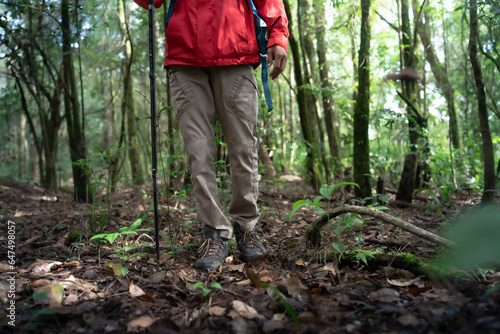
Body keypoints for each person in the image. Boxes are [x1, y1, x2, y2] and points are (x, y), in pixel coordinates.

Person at [134, 0, 289, 271]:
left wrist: (277, 35)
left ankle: (246, 227)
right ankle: (214, 233)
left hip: (237, 50)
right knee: (198, 151)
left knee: (243, 147)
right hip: (185, 58)